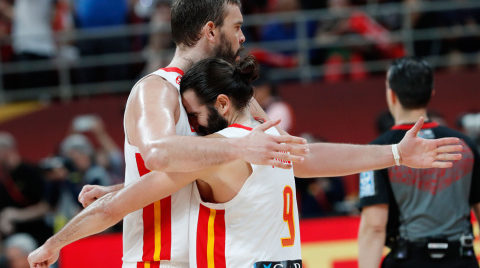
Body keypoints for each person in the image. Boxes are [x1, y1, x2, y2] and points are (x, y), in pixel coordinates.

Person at [27, 53, 463, 268]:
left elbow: (114, 211)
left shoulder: (221, 152)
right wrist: (393, 153)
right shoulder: (275, 141)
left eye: (195, 114)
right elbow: (326, 156)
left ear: (220, 103)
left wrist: (52, 245)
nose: (193, 126)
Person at [30, 0, 310, 268]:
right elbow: (158, 155)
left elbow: (288, 153)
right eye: (236, 26)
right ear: (210, 30)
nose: (243, 37)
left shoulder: (228, 94)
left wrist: (124, 186)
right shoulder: (156, 88)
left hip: (212, 257)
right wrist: (55, 243)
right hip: (159, 259)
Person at [357, 57, 480, 268]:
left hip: (409, 259)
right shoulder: (464, 145)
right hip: (461, 259)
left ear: (391, 95)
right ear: (431, 93)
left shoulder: (378, 150)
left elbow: (374, 227)